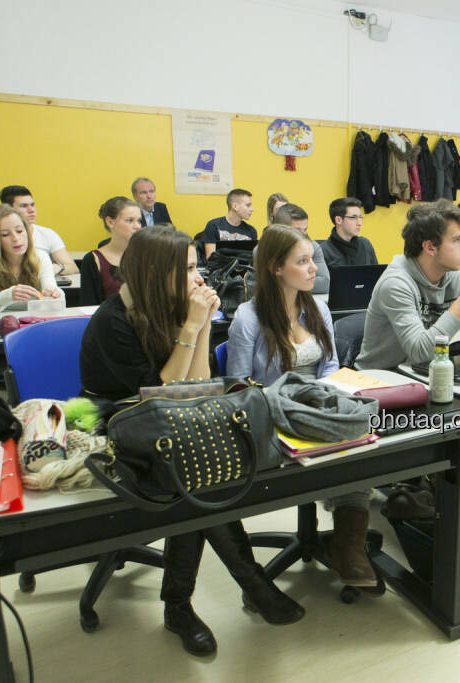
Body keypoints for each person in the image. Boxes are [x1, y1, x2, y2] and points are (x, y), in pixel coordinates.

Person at [79, 226, 305, 656]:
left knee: (198, 472)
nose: (197, 276)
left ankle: (181, 605)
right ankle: (239, 588)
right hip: (117, 432)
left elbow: (196, 386)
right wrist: (192, 324)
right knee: (197, 481)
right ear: (154, 273)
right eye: (186, 268)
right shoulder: (111, 323)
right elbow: (155, 397)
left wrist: (200, 330)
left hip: (164, 425)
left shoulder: (166, 306)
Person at [226, 225, 376, 587]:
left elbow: (329, 366)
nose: (314, 269)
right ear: (277, 267)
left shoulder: (317, 308)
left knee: (363, 437)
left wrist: (330, 398)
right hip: (274, 414)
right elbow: (238, 386)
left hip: (317, 406)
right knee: (342, 449)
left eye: (312, 260)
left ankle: (348, 543)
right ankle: (347, 544)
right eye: (303, 261)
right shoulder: (248, 319)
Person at [355, 199, 460, 371]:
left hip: (424, 375)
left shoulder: (456, 276)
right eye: (456, 240)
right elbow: (420, 352)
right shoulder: (396, 284)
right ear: (430, 247)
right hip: (379, 381)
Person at [0, 204, 61, 308]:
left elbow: (51, 288)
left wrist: (54, 293)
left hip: (34, 319)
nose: (16, 238)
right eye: (5, 234)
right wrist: (8, 295)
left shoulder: (41, 256)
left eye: (19, 231)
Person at [0, 185, 77, 275]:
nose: (31, 210)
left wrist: (55, 268)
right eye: (24, 206)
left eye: (32, 205)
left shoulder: (48, 234)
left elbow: (73, 268)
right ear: (8, 209)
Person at [80, 197, 142, 305]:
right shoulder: (93, 260)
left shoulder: (146, 256)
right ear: (110, 222)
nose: (137, 226)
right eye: (129, 220)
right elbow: (89, 306)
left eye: (139, 221)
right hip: (110, 319)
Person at [269, 204, 329, 294]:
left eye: (305, 230)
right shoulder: (263, 250)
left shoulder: (313, 247)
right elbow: (267, 286)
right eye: (297, 230)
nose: (303, 235)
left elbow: (325, 283)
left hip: (306, 302)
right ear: (280, 229)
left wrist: (290, 282)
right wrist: (304, 281)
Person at [320, 197, 378, 267]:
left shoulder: (365, 244)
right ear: (338, 220)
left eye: (360, 217)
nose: (359, 223)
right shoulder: (324, 251)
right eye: (353, 217)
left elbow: (377, 275)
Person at [202, 189, 256, 258]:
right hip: (220, 268)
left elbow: (252, 259)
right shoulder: (213, 226)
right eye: (248, 205)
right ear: (235, 206)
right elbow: (210, 258)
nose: (252, 209)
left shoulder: (251, 231)